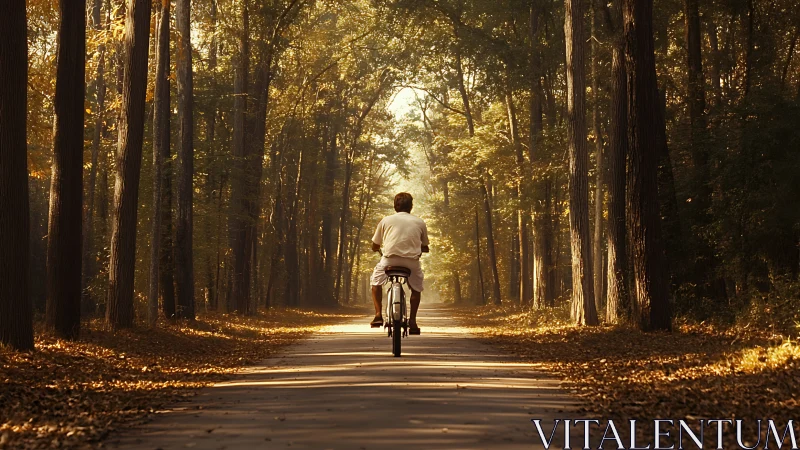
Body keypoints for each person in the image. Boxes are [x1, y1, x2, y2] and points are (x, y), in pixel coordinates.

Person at [369, 192, 429, 334]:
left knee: (375, 283)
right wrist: (421, 248)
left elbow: (375, 245)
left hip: (389, 260)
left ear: (395, 206)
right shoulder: (419, 222)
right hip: (411, 262)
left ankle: (378, 315)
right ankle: (413, 320)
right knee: (416, 288)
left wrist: (376, 248)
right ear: (411, 206)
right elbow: (425, 245)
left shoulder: (385, 220)